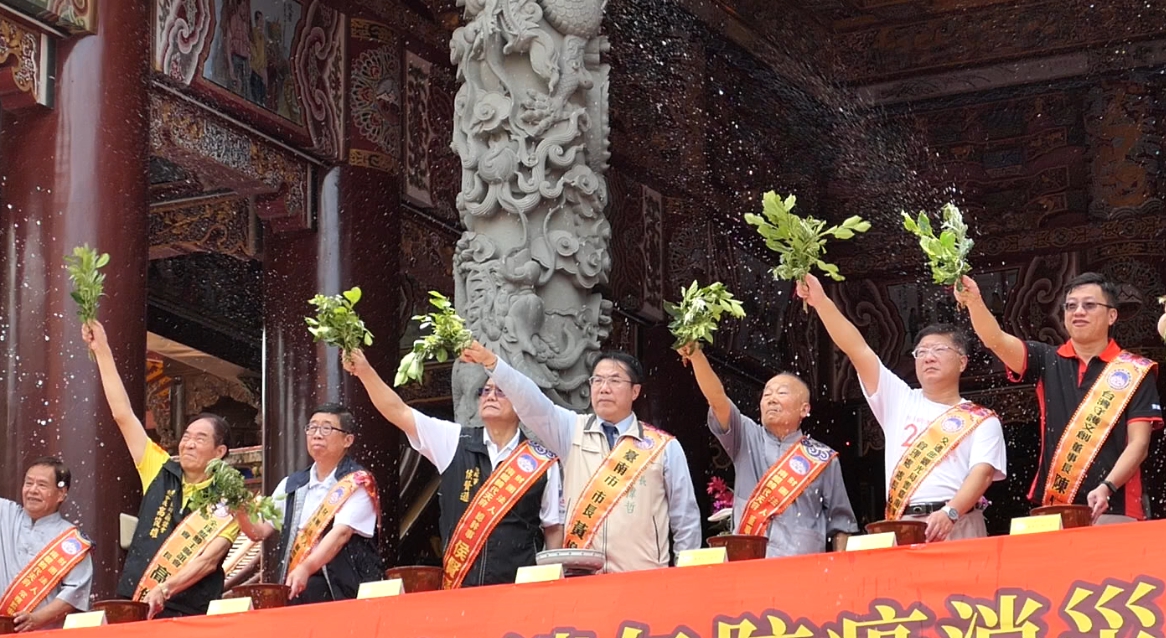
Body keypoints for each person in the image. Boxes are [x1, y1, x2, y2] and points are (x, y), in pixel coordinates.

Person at [798, 274, 1007, 541]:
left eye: (940, 350)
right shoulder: (899, 399)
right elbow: (857, 349)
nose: (928, 357)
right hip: (904, 523)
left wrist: (951, 512)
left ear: (962, 362)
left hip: (960, 522)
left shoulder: (982, 419)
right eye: (921, 352)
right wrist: (821, 301)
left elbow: (983, 472)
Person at [461, 342, 701, 573]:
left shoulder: (663, 447)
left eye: (614, 380)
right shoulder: (571, 429)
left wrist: (685, 577)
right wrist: (492, 363)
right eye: (597, 380)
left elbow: (685, 520)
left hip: (643, 579)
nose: (604, 388)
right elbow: (531, 402)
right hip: (582, 581)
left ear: (635, 391)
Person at [345, 349, 562, 587]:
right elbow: (399, 412)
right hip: (462, 586)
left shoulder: (542, 463)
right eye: (485, 391)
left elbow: (553, 529)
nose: (490, 396)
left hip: (518, 590)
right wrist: (364, 371)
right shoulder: (455, 441)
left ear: (521, 402)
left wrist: (549, 587)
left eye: (501, 391)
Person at [956, 273, 1163, 523]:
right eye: (1071, 305)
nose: (1078, 312)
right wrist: (974, 301)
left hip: (1116, 506)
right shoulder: (1046, 359)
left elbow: (1139, 445)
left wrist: (1107, 486)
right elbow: (995, 339)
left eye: (1089, 305)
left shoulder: (1135, 370)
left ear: (1112, 315)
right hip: (1057, 507)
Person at [84, 321, 239, 618]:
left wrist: (167, 588)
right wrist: (102, 350)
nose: (189, 444)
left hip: (188, 609)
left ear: (220, 452)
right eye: (187, 437)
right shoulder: (159, 468)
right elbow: (123, 415)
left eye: (200, 438)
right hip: (137, 599)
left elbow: (209, 561)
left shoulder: (230, 501)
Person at [677, 344, 858, 556]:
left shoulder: (823, 459)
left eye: (781, 393)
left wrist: (842, 573)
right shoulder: (746, 436)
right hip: (749, 567)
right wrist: (696, 356)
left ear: (804, 409)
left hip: (803, 570)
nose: (771, 399)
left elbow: (842, 525)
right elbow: (717, 399)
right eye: (766, 394)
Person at [235, 402, 382, 603]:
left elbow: (341, 534)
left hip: (344, 589)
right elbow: (258, 531)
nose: (317, 434)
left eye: (327, 428)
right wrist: (238, 506)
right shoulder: (292, 484)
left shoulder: (358, 482)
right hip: (298, 586)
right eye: (312, 427)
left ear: (347, 440)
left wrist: (305, 567)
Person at [0, 458, 93, 631]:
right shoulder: (5, 514)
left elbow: (75, 593)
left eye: (42, 485)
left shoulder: (72, 540)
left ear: (61, 494)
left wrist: (36, 619)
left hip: (46, 632)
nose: (32, 490)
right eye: (29, 483)